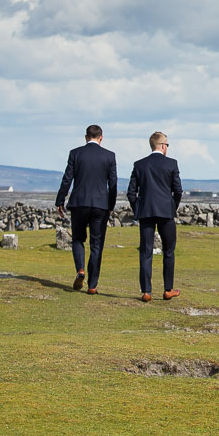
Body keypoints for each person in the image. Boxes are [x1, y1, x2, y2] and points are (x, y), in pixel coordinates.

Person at [54, 124, 118, 294]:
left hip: (79, 203)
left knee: (77, 239)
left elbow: (67, 179)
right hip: (100, 205)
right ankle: (92, 285)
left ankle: (80, 269)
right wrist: (111, 205)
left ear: (86, 137)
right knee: (97, 244)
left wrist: (60, 200)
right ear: (101, 137)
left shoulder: (75, 153)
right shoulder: (109, 156)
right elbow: (113, 184)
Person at [127, 131, 183, 303]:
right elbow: (178, 190)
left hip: (146, 212)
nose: (167, 147)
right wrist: (172, 206)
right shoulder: (171, 164)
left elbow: (131, 192)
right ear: (161, 145)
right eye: (166, 144)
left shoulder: (139, 165)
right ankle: (168, 289)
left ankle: (146, 291)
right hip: (166, 211)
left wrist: (138, 208)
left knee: (145, 251)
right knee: (169, 250)